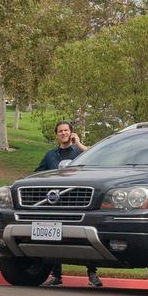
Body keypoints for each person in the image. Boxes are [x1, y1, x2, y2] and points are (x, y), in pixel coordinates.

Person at [35, 121, 101, 287]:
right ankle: (56, 275)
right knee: (53, 237)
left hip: (77, 204)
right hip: (54, 204)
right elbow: (38, 173)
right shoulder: (50, 155)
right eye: (60, 131)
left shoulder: (80, 152)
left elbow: (97, 158)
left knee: (84, 239)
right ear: (56, 134)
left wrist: (78, 143)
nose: (63, 133)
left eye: (66, 130)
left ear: (71, 133)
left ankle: (92, 275)